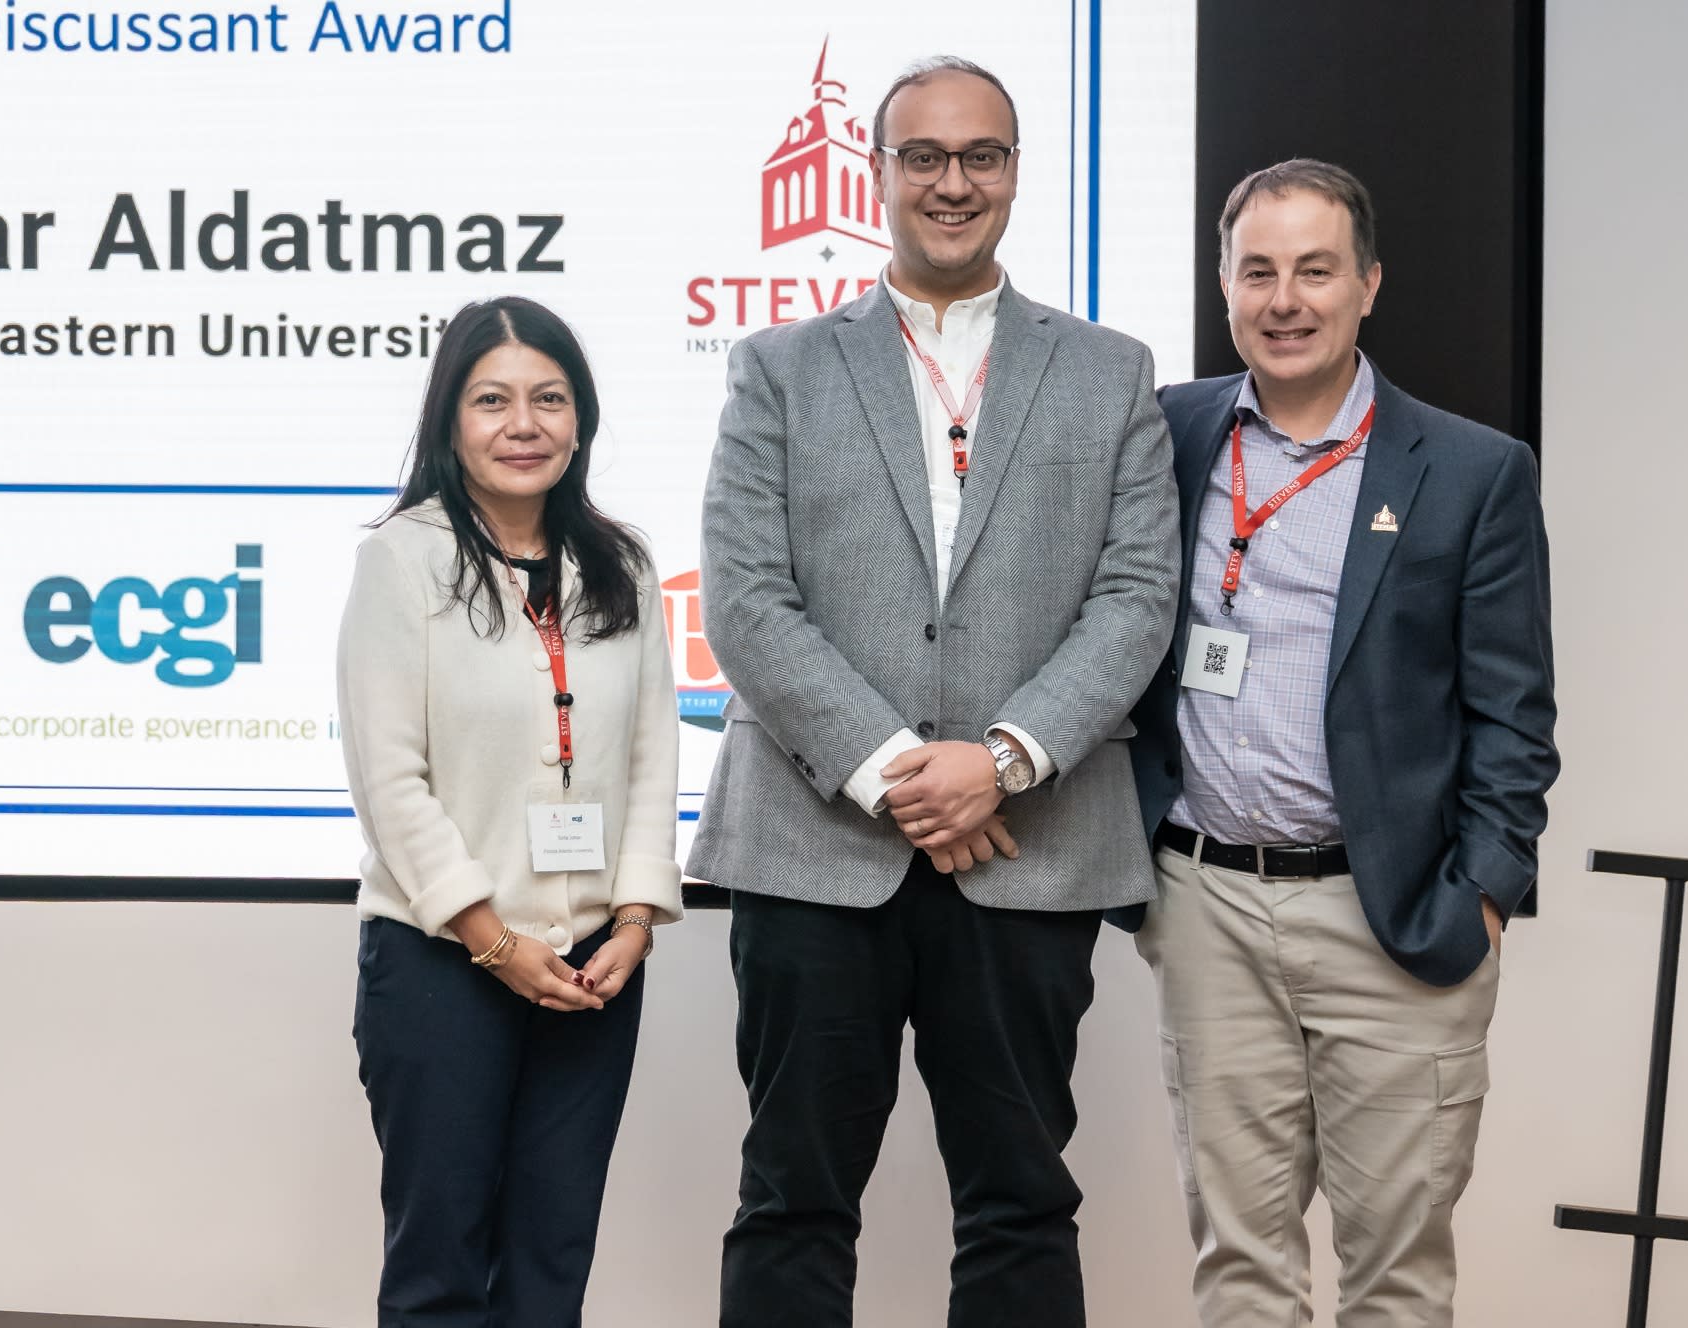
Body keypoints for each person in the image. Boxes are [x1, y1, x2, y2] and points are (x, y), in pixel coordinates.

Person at [689, 55, 1180, 1328]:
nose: (953, 183)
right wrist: (905, 771)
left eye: (982, 156)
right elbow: (745, 598)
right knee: (795, 1196)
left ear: (1014, 172)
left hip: (1032, 849)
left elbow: (1135, 597)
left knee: (1021, 1200)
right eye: (924, 157)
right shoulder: (779, 366)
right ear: (880, 173)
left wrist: (1003, 757)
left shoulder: (1111, 370)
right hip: (814, 846)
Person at [1126, 159, 1559, 1326]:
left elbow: (1515, 714)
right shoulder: (1167, 434)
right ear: (1224, 285)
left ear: (1368, 283)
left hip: (1394, 913)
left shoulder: (1472, 471)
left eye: (1316, 270)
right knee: (1240, 1264)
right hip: (1209, 903)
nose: (1286, 298)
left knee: (1397, 1274)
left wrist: (1485, 888)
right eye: (1258, 270)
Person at [337, 295, 683, 1326]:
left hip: (590, 971)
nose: (522, 423)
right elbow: (391, 783)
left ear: (580, 420)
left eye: (548, 398)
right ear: (451, 419)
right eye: (492, 400)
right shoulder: (402, 559)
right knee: (440, 1272)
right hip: (442, 967)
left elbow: (651, 756)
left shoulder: (620, 563)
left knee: (550, 1269)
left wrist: (632, 921)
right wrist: (493, 941)